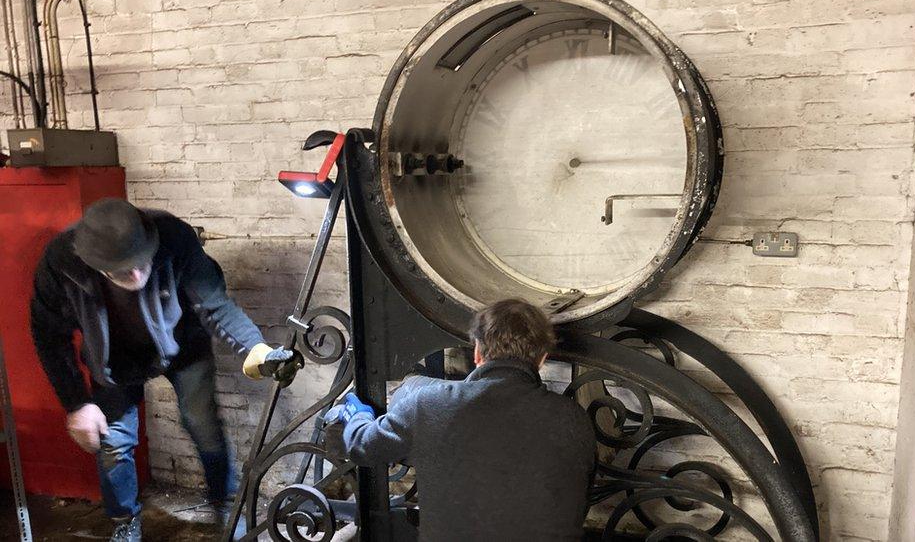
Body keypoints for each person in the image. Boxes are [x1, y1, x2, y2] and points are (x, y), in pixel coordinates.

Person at [29, 198, 297, 541]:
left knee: (203, 424)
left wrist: (256, 348)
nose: (137, 273)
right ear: (96, 264)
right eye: (124, 269)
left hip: (183, 344)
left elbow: (216, 305)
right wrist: (76, 404)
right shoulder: (60, 264)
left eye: (141, 262)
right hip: (113, 359)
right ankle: (125, 521)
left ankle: (226, 504)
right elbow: (49, 336)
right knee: (114, 443)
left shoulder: (174, 237)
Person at [328, 298, 597, 541]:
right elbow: (579, 502)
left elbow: (362, 446)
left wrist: (357, 413)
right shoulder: (574, 418)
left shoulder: (429, 403)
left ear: (478, 351)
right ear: (541, 359)